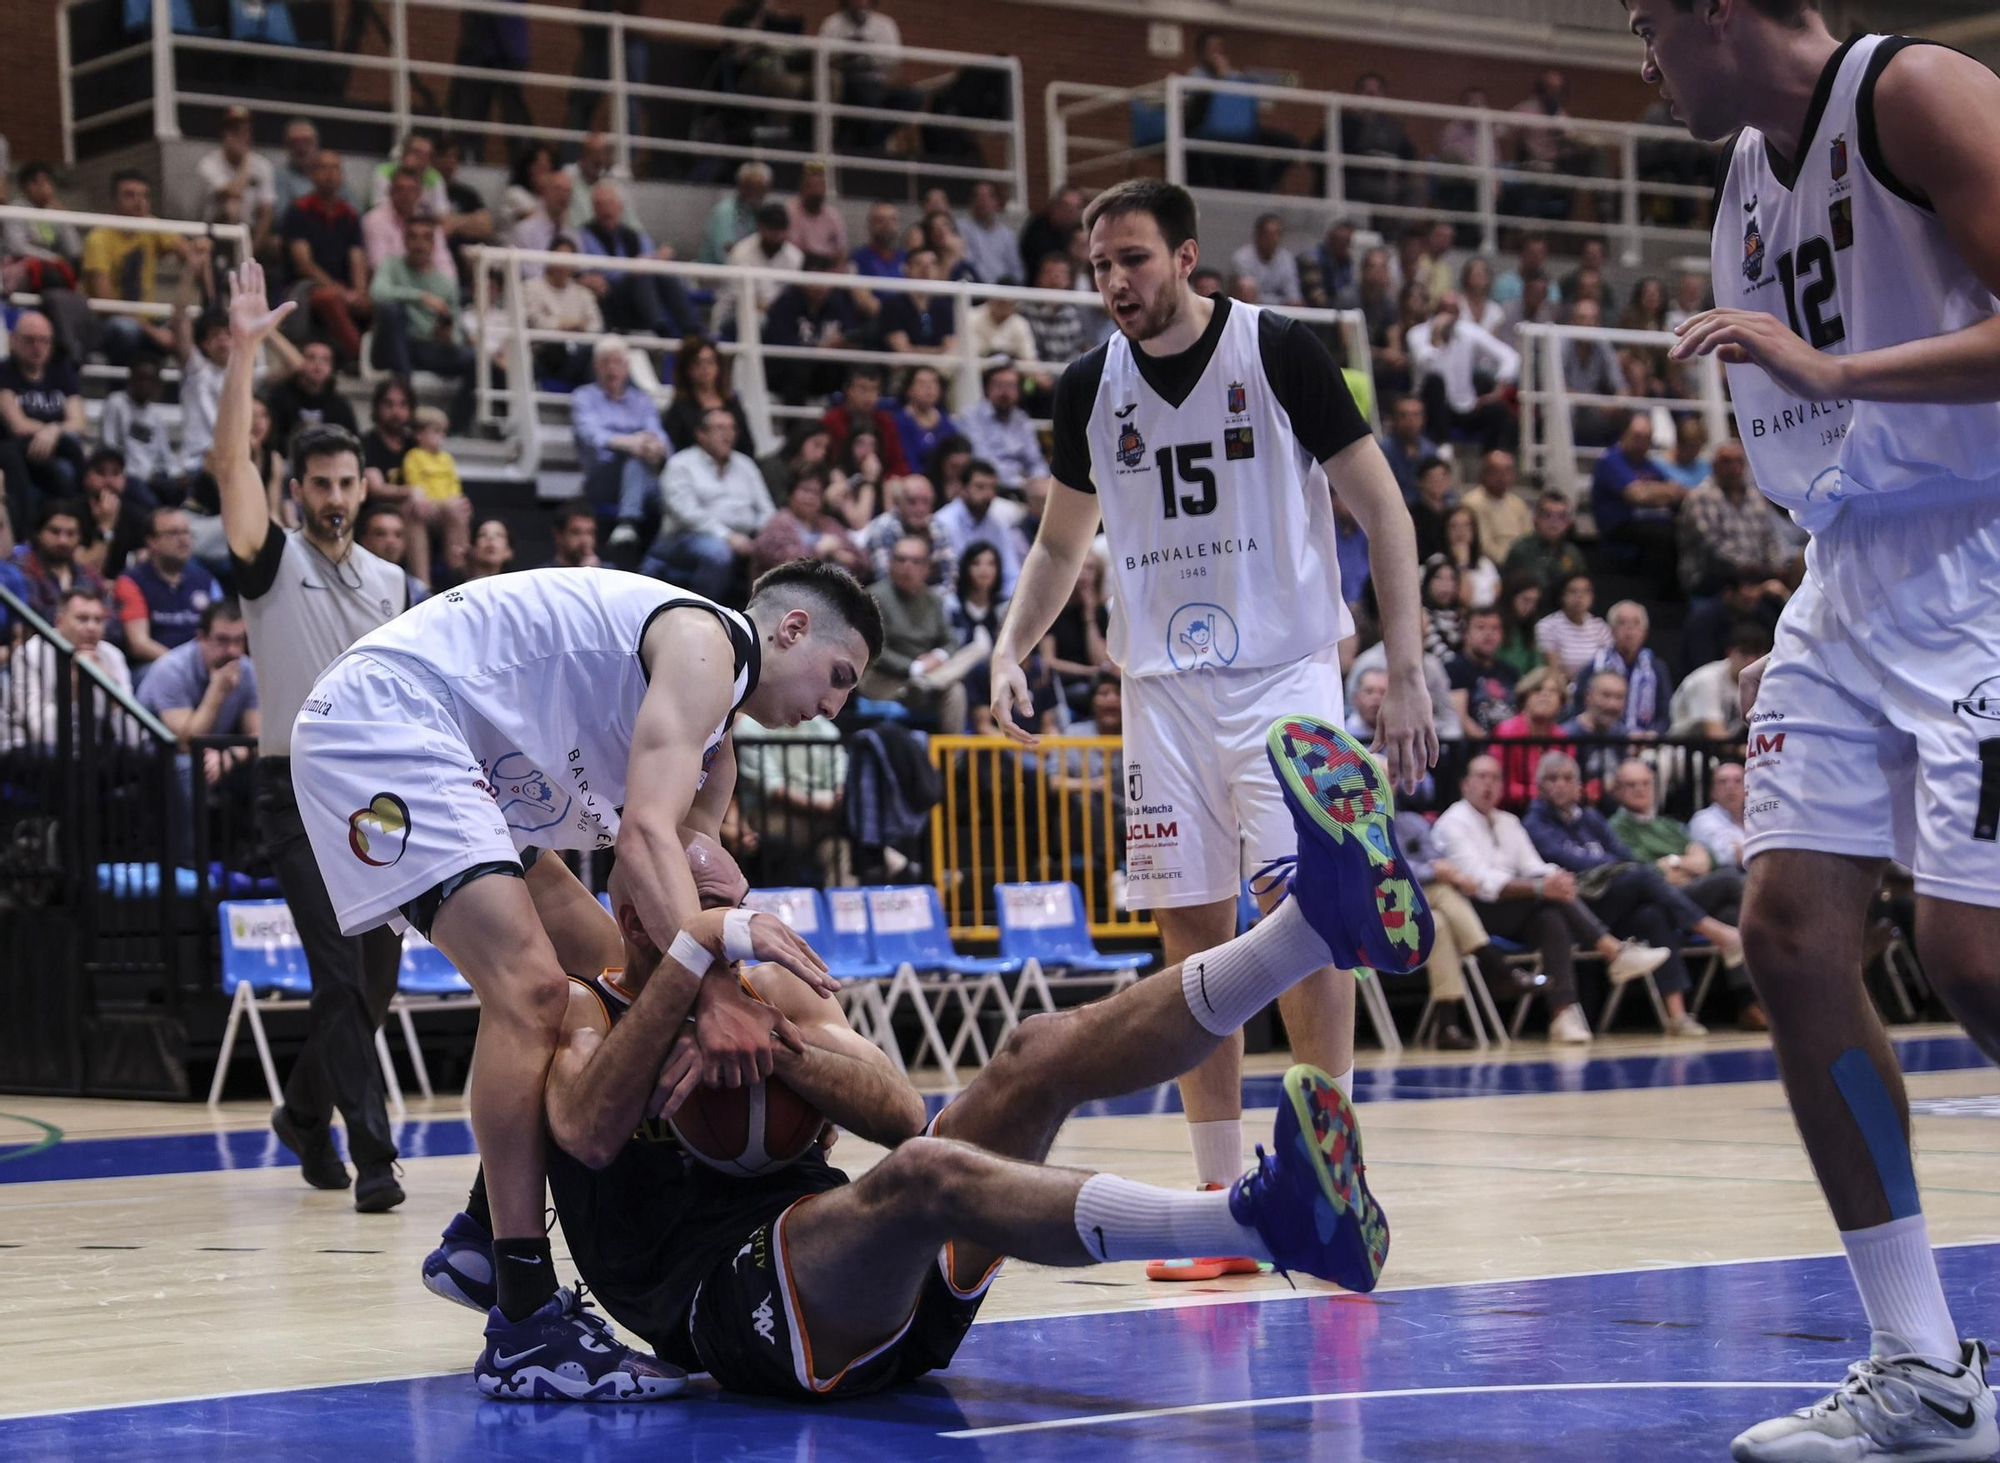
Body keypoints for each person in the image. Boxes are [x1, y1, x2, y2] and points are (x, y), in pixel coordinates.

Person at [424, 717, 1418, 1402]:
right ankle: (1257, 1221)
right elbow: (590, 1130)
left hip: (877, 1279)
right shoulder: (576, 1011)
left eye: (736, 910)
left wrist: (776, 1042)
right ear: (642, 911)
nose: (736, 925)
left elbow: (900, 1105)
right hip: (740, 1308)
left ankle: (1306, 929)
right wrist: (693, 969)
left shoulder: (769, 986)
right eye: (713, 912)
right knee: (926, 1175)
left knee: (1032, 1051)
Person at [989, 178, 1438, 1277]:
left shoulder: (1277, 348)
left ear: (1186, 257)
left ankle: (1333, 1163)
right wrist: (1007, 647)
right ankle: (1222, 1198)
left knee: (1308, 916)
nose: (1113, 283)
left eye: (1132, 259)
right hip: (1160, 690)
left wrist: (1406, 667)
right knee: (1189, 934)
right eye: (1097, 265)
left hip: (1280, 675)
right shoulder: (1086, 385)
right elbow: (1057, 547)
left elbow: (1382, 507)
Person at [210, 263, 412, 1219]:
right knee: (336, 970)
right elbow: (230, 470)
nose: (333, 495)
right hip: (292, 786)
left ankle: (299, 1114)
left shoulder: (394, 580)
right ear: (297, 489)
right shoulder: (273, 557)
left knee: (371, 989)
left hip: (374, 798)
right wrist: (246, 351)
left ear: (365, 485)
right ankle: (374, 1157)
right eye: (318, 483)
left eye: (345, 482)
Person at [1435, 753, 1670, 1043]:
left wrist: (1557, 877)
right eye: (1481, 777)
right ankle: (1614, 951)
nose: (1488, 784)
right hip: (1474, 914)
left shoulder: (1508, 821)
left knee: (1552, 917)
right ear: (1464, 784)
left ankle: (1562, 1014)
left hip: (1514, 910)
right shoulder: (1453, 823)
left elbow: (1533, 866)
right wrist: (1539, 888)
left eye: (1495, 777)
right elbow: (1482, 882)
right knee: (1549, 898)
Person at [1523, 751, 1740, 1038]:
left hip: (1611, 902)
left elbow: (1625, 855)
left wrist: (1623, 866)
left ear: (1579, 785)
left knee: (1653, 915)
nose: (1560, 785)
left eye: (1567, 778)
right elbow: (1573, 862)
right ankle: (1715, 932)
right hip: (1578, 910)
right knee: (1644, 876)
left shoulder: (1590, 817)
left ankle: (1676, 1015)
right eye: (1552, 779)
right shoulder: (1535, 822)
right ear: (1539, 787)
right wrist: (1619, 866)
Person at [1607, 757, 1765, 1030]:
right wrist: (1686, 863)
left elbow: (1710, 860)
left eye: (1645, 783)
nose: (1639, 790)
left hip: (1683, 897)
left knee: (1729, 913)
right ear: (1617, 791)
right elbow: (1644, 872)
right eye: (1630, 785)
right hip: (1650, 900)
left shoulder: (1668, 825)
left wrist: (1675, 864)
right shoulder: (1616, 828)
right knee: (1730, 880)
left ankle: (1749, 1005)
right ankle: (1777, 949)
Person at [137, 598, 260, 805]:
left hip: (217, 751)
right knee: (187, 767)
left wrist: (232, 755)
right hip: (156, 756)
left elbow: (257, 735)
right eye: (222, 640)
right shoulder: (171, 669)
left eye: (239, 641)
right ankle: (186, 839)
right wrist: (217, 691)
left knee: (269, 764)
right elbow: (186, 743)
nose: (232, 651)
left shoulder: (247, 670)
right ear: (201, 638)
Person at [650, 407, 776, 601]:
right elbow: (686, 513)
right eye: (719, 428)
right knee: (718, 551)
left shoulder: (746, 465)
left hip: (745, 538)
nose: (727, 434)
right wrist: (728, 536)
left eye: (731, 428)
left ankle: (758, 617)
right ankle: (698, 609)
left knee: (779, 546)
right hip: (685, 537)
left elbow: (766, 508)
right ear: (701, 434)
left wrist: (761, 537)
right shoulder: (681, 464)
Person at [369, 215, 476, 432]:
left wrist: (446, 336)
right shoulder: (391, 264)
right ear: (405, 241)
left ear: (433, 244)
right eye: (413, 237)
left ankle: (454, 428)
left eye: (426, 238)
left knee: (475, 359)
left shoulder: (447, 283)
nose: (419, 244)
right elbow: (376, 293)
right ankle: (406, 399)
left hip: (427, 347)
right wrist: (420, 296)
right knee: (391, 310)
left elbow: (455, 330)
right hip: (391, 346)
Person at [80, 170, 190, 365]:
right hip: (107, 321)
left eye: (145, 196)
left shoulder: (150, 224)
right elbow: (105, 301)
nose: (139, 202)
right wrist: (151, 331)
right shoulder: (98, 239)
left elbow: (189, 254)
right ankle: (120, 390)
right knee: (127, 330)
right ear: (114, 201)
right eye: (130, 195)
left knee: (186, 327)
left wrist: (199, 248)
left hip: (147, 317)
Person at [572, 336, 669, 555]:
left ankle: (662, 543)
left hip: (643, 477)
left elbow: (659, 437)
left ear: (627, 367)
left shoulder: (642, 400)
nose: (612, 369)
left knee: (670, 484)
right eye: (606, 362)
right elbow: (594, 437)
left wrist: (655, 446)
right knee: (634, 459)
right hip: (601, 479)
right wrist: (632, 443)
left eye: (617, 362)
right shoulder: (584, 397)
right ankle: (628, 521)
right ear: (596, 367)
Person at [7, 587, 136, 751]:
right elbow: (45, 734)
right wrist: (73, 692)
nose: (92, 627)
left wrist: (113, 697)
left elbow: (133, 739)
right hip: (37, 756)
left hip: (96, 753)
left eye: (98, 620)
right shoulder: (31, 654)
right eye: (82, 619)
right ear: (59, 622)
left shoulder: (112, 656)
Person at [281, 150, 373, 367]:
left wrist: (359, 294)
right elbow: (304, 265)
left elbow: (357, 259)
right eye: (323, 168)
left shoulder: (350, 215)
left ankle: (382, 359)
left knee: (381, 303)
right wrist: (342, 293)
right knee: (329, 298)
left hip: (342, 289)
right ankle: (360, 357)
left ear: (341, 175)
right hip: (304, 288)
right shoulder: (298, 211)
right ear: (312, 175)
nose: (329, 174)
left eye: (335, 168)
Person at [0, 311, 88, 524]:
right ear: (14, 340)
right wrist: (52, 429)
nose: (37, 347)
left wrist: (53, 431)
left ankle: (79, 526)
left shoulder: (62, 371)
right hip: (19, 450)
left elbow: (78, 423)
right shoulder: (5, 371)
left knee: (75, 455)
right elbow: (17, 425)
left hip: (57, 446)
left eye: (44, 341)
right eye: (30, 340)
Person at [1407, 292, 1520, 452]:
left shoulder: (1468, 331)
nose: (1448, 316)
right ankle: (1442, 448)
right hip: (1430, 405)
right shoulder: (1417, 334)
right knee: (1435, 382)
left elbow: (1510, 356)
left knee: (1499, 411)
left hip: (1464, 404)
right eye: (1444, 310)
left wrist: (1500, 387)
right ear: (1435, 311)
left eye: (1453, 310)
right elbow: (1427, 365)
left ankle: (1491, 458)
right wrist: (1436, 337)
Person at [1676, 437, 1788, 598]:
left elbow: (1770, 538)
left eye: (1738, 461)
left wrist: (1776, 565)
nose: (1733, 468)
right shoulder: (1701, 497)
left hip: (1756, 575)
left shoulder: (1755, 498)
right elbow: (1713, 546)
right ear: (1714, 465)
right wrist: (1750, 567)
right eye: (1726, 462)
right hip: (1713, 580)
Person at [114, 507, 220, 666]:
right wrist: (183, 667)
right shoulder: (131, 581)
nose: (183, 539)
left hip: (202, 665)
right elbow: (139, 644)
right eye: (173, 533)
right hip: (155, 666)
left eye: (186, 532)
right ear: (151, 542)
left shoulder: (205, 579)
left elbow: (221, 627)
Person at [1591, 411, 1688, 586]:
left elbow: (1678, 492)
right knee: (1666, 536)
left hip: (1653, 525)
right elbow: (1637, 495)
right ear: (1624, 434)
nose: (1642, 443)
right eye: (1637, 436)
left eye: (1647, 438)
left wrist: (1652, 491)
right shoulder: (1611, 460)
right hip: (1620, 528)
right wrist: (1657, 493)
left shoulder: (1648, 464)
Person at [750, 470, 866, 581]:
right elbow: (785, 566)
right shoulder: (777, 523)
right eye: (805, 490)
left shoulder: (829, 524)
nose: (810, 497)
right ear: (792, 493)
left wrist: (844, 557)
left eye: (816, 492)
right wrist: (819, 549)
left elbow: (864, 563)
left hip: (837, 594)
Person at [97, 352, 180, 506]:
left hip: (152, 478)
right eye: (141, 378)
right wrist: (145, 477)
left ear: (158, 384)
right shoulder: (116, 403)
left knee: (179, 493)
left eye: (151, 380)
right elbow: (109, 448)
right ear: (131, 379)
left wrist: (175, 477)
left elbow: (164, 457)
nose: (145, 384)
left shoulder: (155, 416)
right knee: (150, 503)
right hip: (125, 477)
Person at [400, 406, 473, 581]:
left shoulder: (446, 459)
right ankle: (423, 580)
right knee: (449, 507)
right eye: (436, 432)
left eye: (443, 433)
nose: (441, 437)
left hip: (447, 506)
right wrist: (426, 500)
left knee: (457, 508)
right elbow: (414, 481)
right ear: (419, 435)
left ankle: (459, 570)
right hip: (428, 505)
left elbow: (454, 483)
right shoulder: (414, 456)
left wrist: (456, 499)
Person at [933, 459, 1022, 598]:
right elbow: (945, 579)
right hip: (953, 601)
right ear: (962, 489)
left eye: (992, 487)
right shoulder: (942, 523)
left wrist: (1009, 605)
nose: (988, 494)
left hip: (991, 604)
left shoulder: (997, 524)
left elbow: (1011, 574)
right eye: (980, 487)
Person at [1581, 599, 1674, 734]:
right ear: (1611, 630)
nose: (1629, 629)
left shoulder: (1657, 668)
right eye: (1622, 623)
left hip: (1646, 743)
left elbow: (1666, 715)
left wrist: (1653, 734)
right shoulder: (1595, 665)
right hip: (1604, 739)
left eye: (1636, 623)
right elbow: (1581, 710)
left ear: (1645, 632)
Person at [1668, 621, 1769, 741]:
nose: (1751, 660)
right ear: (1730, 652)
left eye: (1757, 654)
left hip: (1715, 752)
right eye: (1745, 652)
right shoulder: (1707, 679)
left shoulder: (1758, 682)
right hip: (1681, 750)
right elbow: (1716, 736)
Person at [714, 201, 802, 338]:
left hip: (777, 317)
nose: (777, 235)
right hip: (735, 315)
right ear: (760, 228)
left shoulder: (795, 257)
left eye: (781, 229)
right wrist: (772, 309)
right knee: (760, 320)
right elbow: (739, 297)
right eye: (772, 229)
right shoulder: (741, 253)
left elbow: (794, 297)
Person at [1489, 663, 1572, 807]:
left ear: (1561, 703)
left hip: (1553, 809)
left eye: (1553, 692)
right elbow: (1501, 785)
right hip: (1511, 809)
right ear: (1525, 697)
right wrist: (1544, 793)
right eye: (1537, 690)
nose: (1545, 696)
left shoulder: (1562, 737)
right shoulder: (1507, 732)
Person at [198, 106, 277, 253]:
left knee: (276, 241)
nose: (240, 136)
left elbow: (267, 209)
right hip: (216, 229)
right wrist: (245, 158)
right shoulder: (209, 163)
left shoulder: (262, 165)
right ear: (224, 134)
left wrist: (254, 248)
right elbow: (234, 192)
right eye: (234, 131)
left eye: (245, 131)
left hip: (250, 231)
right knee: (232, 206)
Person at [961, 364, 1048, 492]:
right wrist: (1020, 482)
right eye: (999, 385)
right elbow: (982, 461)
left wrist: (1039, 478)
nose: (1005, 392)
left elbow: (1035, 459)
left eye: (1011, 386)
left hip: (1027, 486)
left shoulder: (1022, 419)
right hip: (991, 487)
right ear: (986, 389)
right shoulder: (971, 417)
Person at [661, 337, 754, 455]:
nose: (705, 368)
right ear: (687, 369)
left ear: (718, 366)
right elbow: (675, 447)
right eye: (698, 363)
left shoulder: (731, 402)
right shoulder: (680, 406)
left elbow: (748, 445)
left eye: (710, 362)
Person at [264, 337, 359, 449]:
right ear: (300, 360)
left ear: (332, 367)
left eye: (325, 360)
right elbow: (271, 440)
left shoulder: (340, 405)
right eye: (311, 357)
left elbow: (352, 443)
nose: (318, 364)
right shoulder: (280, 397)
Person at [862, 473, 954, 587]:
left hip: (932, 597)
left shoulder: (938, 527)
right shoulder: (883, 528)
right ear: (898, 503)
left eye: (925, 502)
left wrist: (934, 600)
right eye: (912, 502)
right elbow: (884, 579)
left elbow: (950, 576)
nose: (920, 509)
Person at [1501, 489, 1588, 603]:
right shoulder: (1520, 551)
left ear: (1568, 522)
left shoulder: (1573, 553)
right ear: (1535, 518)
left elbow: (1583, 588)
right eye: (1547, 515)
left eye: (1561, 516)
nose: (1554, 522)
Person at [1447, 605, 1519, 738]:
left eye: (1495, 628)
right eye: (1480, 627)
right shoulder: (1454, 668)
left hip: (1510, 745)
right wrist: (1491, 747)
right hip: (1476, 748)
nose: (1489, 634)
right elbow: (1460, 717)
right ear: (1466, 634)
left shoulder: (1510, 671)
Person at [1533, 570, 1611, 684]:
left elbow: (1608, 663)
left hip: (1594, 688)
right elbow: (1553, 670)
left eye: (1585, 592)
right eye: (1573, 591)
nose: (1579, 597)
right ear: (1562, 596)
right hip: (1562, 687)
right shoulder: (1547, 626)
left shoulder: (1600, 626)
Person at [1460, 449, 1533, 566]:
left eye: (1507, 471)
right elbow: (1483, 545)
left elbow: (1528, 538)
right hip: (1490, 565)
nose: (1502, 476)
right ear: (1484, 473)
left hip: (1519, 563)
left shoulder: (1518, 504)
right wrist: (1510, 563)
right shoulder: (1472, 503)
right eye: (1496, 471)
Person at [699, 161, 771, 265]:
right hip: (716, 273)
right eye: (749, 186)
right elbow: (725, 254)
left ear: (768, 188)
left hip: (751, 272)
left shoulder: (767, 212)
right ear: (740, 185)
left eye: (759, 187)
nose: (754, 192)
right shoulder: (725, 211)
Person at [1376, 394, 1440, 504]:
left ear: (1423, 419)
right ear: (1393, 419)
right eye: (1403, 415)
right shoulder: (1381, 451)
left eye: (1416, 415)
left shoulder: (1430, 451)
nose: (1410, 421)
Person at [960, 180, 1025, 286]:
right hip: (974, 291)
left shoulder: (1007, 235)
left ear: (996, 202)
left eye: (987, 197)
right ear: (971, 202)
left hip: (1003, 292)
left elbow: (1017, 271)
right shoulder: (962, 229)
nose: (983, 202)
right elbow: (966, 264)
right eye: (978, 197)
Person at [1688, 759, 1747, 872]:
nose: (1730, 787)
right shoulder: (1702, 820)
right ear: (1712, 791)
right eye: (1722, 782)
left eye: (1738, 781)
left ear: (1747, 789)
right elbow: (1730, 856)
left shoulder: (1758, 819)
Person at [1231, 215, 1302, 307]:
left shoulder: (1287, 259)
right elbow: (1248, 295)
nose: (1272, 239)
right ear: (1257, 235)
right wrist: (1279, 302)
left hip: (1280, 313)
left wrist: (1290, 301)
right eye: (1268, 234)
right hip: (1249, 310)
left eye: (1277, 234)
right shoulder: (1242, 258)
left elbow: (1293, 296)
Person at [786, 161, 848, 262]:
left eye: (820, 186)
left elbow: (841, 252)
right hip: (799, 265)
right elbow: (788, 250)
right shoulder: (790, 212)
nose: (816, 191)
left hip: (827, 266)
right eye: (811, 186)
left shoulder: (834, 216)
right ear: (802, 188)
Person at [548, 499, 599, 569]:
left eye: (589, 533)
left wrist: (596, 573)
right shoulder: (542, 575)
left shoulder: (610, 573)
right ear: (558, 535)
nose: (584, 540)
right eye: (576, 533)